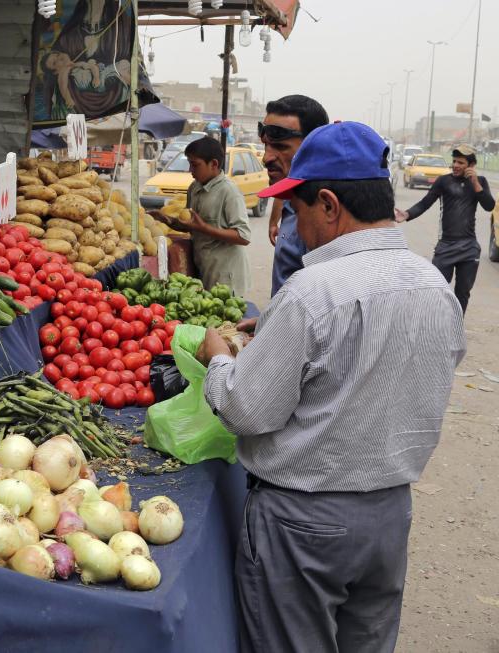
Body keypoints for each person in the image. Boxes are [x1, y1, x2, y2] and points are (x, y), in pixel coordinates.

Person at [196, 122, 466, 653]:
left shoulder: (311, 292)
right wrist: (278, 337)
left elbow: (247, 412)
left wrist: (220, 360)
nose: (296, 227)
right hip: (388, 516)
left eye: (295, 211)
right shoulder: (434, 286)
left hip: (304, 525)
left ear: (328, 204)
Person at [394, 144, 496, 313]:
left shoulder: (481, 182)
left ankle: (456, 326)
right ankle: (436, 324)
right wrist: (407, 214)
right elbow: (425, 203)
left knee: (463, 293)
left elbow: (489, 206)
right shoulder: (444, 181)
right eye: (454, 161)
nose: (455, 165)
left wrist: (476, 183)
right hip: (446, 246)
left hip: (469, 247)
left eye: (460, 163)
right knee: (437, 289)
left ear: (471, 166)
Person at [158, 137, 251, 295]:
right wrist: (166, 220)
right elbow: (190, 224)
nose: (190, 170)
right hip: (204, 270)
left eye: (195, 165)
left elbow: (243, 236)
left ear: (214, 164)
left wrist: (204, 228)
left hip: (226, 278)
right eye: (189, 164)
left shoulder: (229, 192)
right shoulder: (194, 188)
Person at [261, 94, 330, 295]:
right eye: (266, 145)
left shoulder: (317, 213)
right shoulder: (293, 201)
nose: (266, 158)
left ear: (313, 148)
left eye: (280, 147)